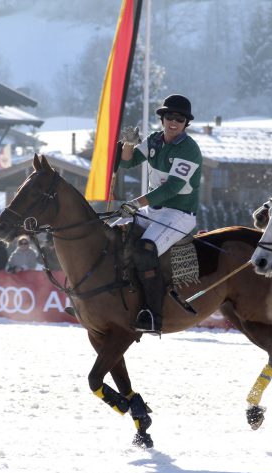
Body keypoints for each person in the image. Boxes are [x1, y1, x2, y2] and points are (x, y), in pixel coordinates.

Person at [113, 94, 203, 334]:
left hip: (179, 213)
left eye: (180, 119)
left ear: (186, 124)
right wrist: (129, 144)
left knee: (144, 251)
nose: (174, 122)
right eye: (170, 117)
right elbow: (127, 163)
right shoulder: (154, 140)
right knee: (111, 233)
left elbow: (172, 187)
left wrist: (136, 202)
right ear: (162, 119)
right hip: (152, 209)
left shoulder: (189, 149)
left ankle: (153, 315)